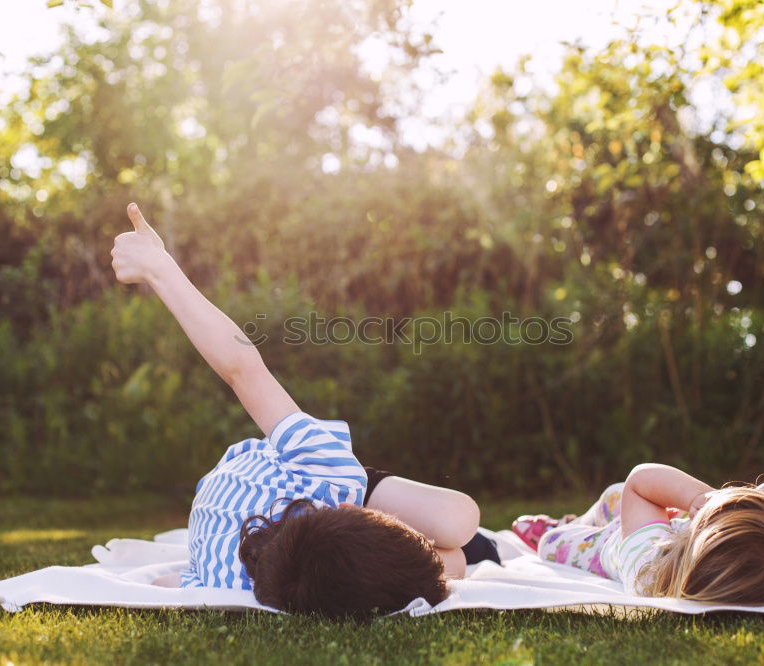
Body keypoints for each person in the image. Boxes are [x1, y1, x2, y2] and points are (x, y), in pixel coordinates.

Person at [110, 203, 490, 618]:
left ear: (352, 508)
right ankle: (443, 554)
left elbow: (242, 370)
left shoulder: (327, 473)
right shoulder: (228, 583)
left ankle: (434, 547)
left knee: (458, 529)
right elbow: (167, 584)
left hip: (289, 475)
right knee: (453, 558)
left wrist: (160, 270)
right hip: (287, 518)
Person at [511, 463, 764, 605]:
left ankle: (560, 524)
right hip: (651, 514)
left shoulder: (648, 569)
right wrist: (747, 503)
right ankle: (582, 516)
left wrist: (702, 499)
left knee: (555, 542)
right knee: (613, 497)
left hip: (613, 541)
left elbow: (641, 480)